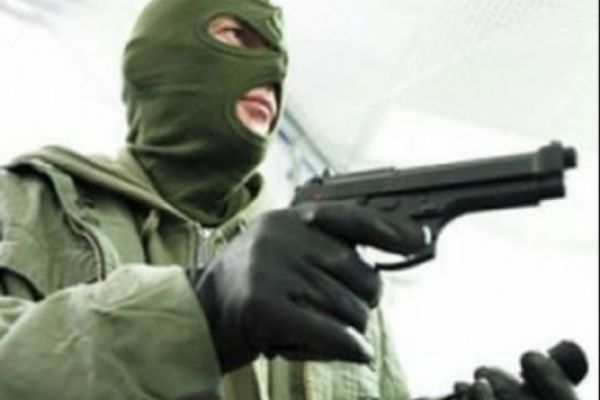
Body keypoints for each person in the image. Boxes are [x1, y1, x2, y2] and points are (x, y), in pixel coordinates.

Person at [0, 0, 582, 399]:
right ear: (154, 61)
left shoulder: (323, 261)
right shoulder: (28, 203)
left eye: (278, 59)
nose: (270, 69)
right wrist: (200, 310)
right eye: (236, 37)